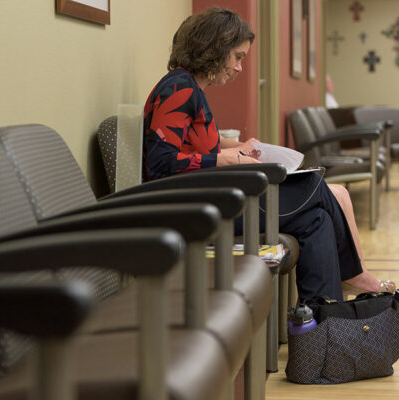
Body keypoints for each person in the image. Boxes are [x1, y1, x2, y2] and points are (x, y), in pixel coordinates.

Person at [142, 8, 394, 301]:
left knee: (317, 221)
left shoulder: (190, 89)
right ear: (214, 48)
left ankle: (322, 325)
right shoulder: (178, 88)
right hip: (196, 209)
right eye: (237, 57)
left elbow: (193, 144)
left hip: (212, 198)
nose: (239, 68)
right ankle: (355, 275)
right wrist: (225, 159)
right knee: (314, 185)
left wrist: (234, 146)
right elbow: (159, 165)